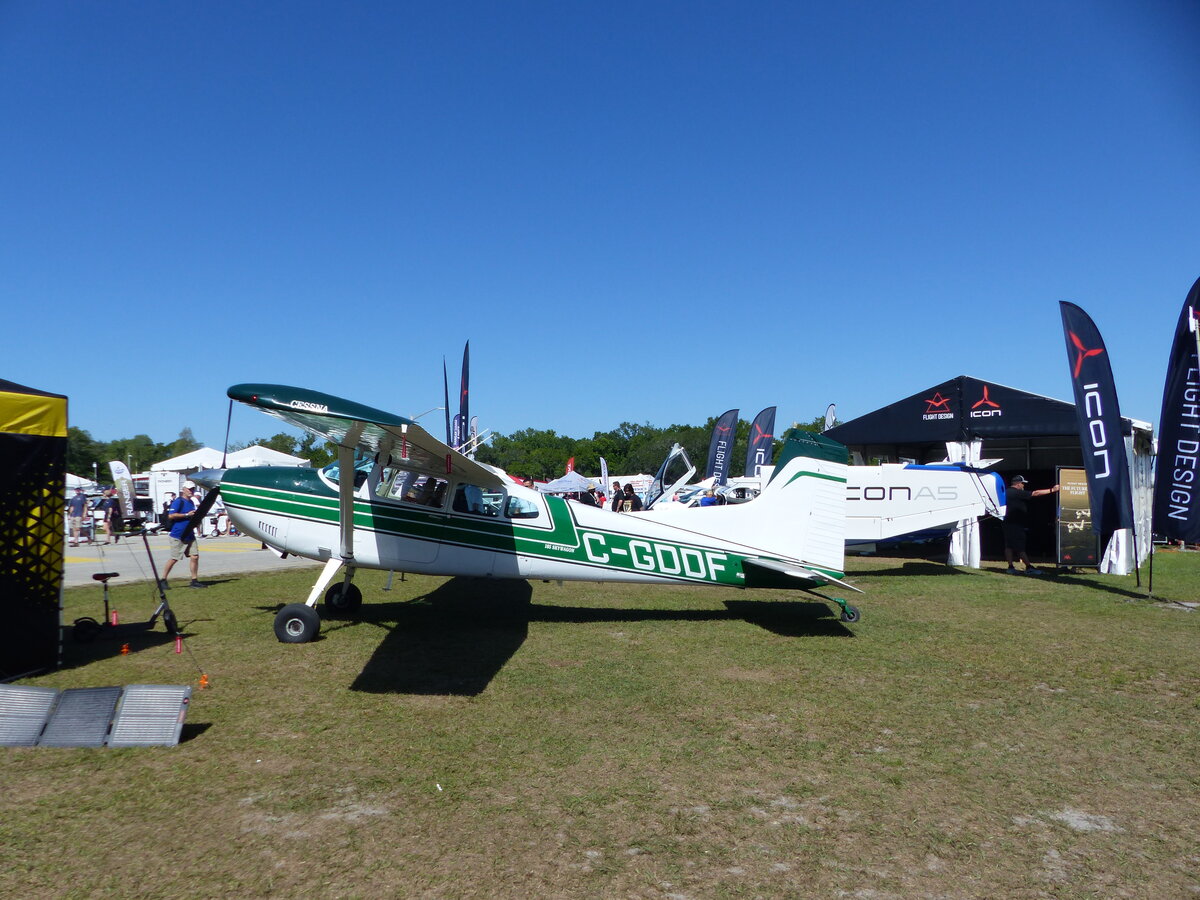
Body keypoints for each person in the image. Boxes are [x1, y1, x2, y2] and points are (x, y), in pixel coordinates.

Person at [1003, 475, 1060, 575]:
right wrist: (1052, 490)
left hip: (1007, 522)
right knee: (1020, 546)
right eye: (1022, 483)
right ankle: (1029, 567)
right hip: (1016, 524)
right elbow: (1036, 493)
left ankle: (1010, 567)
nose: (1023, 485)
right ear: (1018, 484)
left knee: (1009, 545)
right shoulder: (1017, 493)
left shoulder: (1005, 492)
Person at [160, 483, 206, 589]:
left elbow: (191, 515)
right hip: (178, 534)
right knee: (174, 558)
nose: (191, 491)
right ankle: (163, 580)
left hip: (189, 533)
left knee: (195, 556)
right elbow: (171, 515)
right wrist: (186, 515)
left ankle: (194, 580)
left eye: (193, 489)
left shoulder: (191, 502)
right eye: (189, 489)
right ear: (184, 489)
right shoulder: (178, 501)